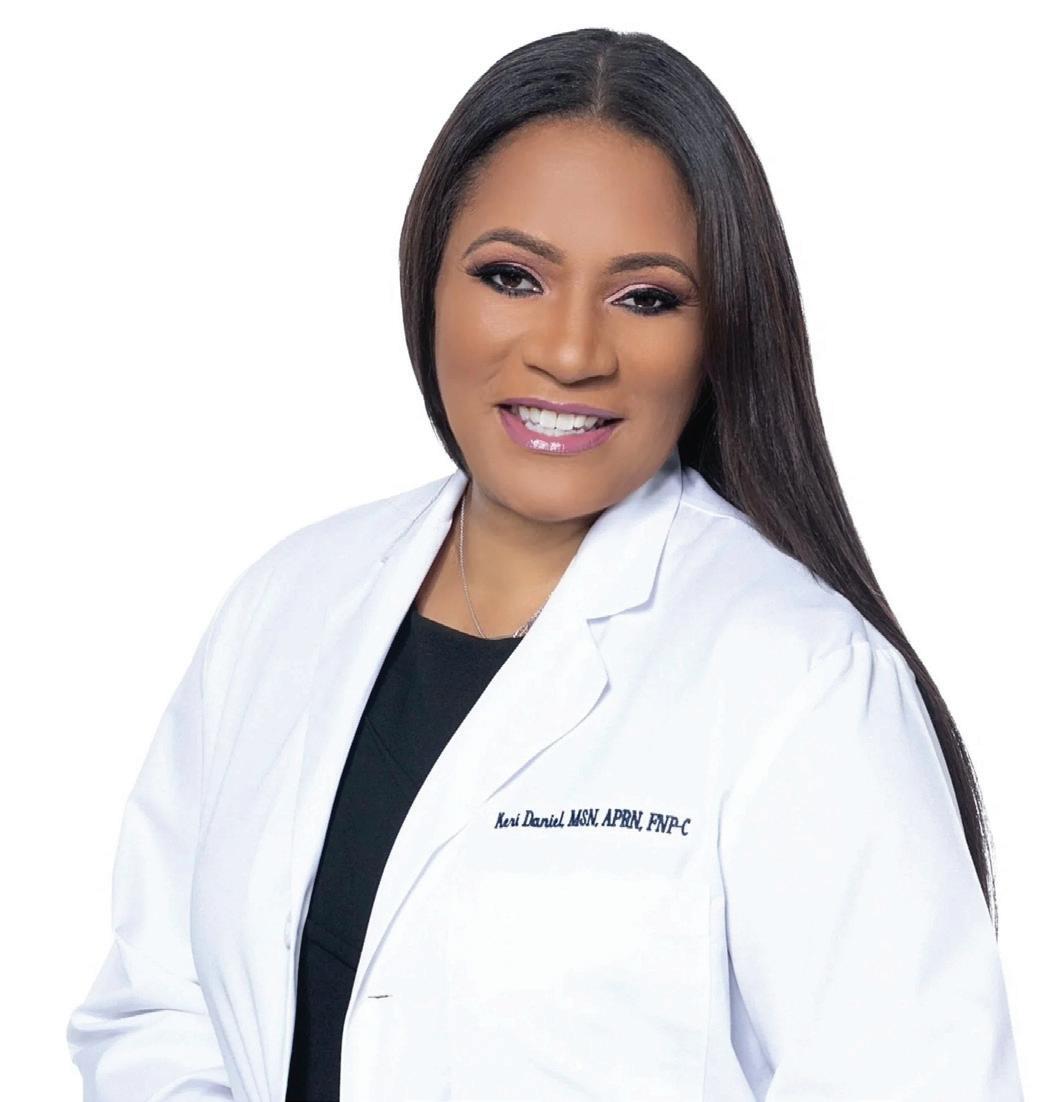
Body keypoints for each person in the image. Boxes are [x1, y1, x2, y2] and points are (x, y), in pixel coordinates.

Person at [66, 26, 1024, 1102]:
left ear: (718, 330)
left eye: (645, 296)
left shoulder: (804, 681)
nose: (570, 352)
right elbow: (165, 1005)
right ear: (430, 280)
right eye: (512, 276)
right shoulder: (288, 602)